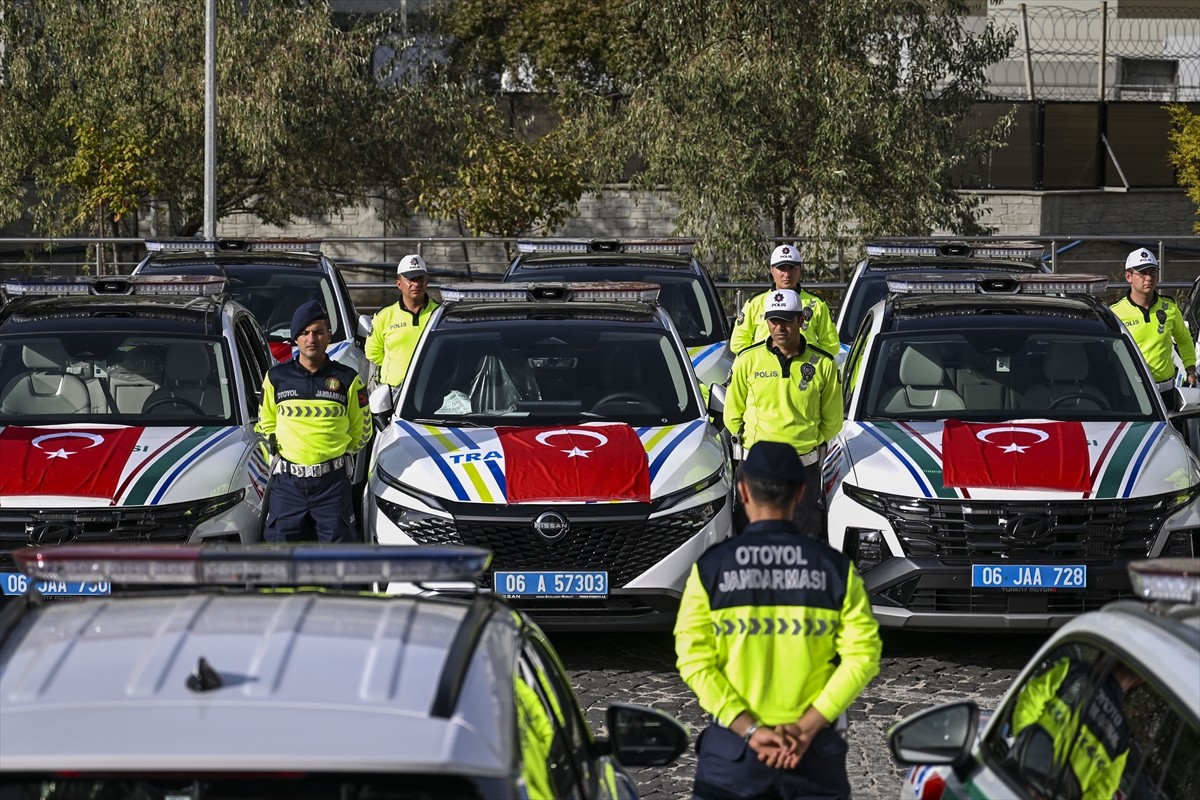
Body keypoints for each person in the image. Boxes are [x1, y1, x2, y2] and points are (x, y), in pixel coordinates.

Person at [674, 441, 881, 800]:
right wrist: (805, 729)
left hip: (733, 761)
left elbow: (694, 662)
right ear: (800, 493)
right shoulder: (835, 570)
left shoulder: (711, 570)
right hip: (813, 758)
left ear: (742, 490)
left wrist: (750, 730)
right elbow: (862, 657)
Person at [724, 289, 841, 536]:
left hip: (802, 468)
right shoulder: (747, 360)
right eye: (774, 320)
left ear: (801, 320)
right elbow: (732, 414)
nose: (780, 327)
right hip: (757, 468)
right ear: (766, 322)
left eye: (787, 320)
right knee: (751, 546)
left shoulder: (824, 365)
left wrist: (804, 442)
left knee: (803, 545)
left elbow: (832, 421)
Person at [257, 300, 372, 542]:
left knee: (338, 558)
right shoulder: (276, 378)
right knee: (281, 555)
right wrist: (277, 458)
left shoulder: (348, 379)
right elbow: (265, 424)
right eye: (305, 333)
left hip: (332, 485)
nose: (312, 339)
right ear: (295, 339)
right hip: (287, 485)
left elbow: (362, 429)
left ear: (328, 336)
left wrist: (342, 456)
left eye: (319, 332)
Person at [1008, 652, 1141, 800]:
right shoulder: (1122, 740)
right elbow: (1100, 794)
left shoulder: (1071, 671)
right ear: (1139, 681)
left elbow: (1028, 702)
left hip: (1012, 784)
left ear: (1110, 653)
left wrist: (1022, 752)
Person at [1110, 247, 1197, 407]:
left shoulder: (1169, 307)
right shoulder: (1115, 312)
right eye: (1142, 273)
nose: (1149, 278)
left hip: (1166, 394)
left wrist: (1190, 369)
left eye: (1152, 272)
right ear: (1128, 276)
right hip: (1132, 394)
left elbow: (1184, 339)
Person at [729, 244, 839, 356]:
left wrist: (810, 364)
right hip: (764, 371)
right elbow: (738, 344)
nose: (786, 274)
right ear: (771, 270)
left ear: (800, 269)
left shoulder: (816, 304)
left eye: (791, 268)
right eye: (781, 268)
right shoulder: (755, 303)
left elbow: (831, 345)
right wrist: (761, 363)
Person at [366, 254, 440, 386]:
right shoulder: (384, 316)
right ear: (398, 284)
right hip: (393, 391)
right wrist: (396, 368)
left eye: (420, 279)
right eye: (411, 279)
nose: (416, 284)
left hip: (432, 388)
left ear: (427, 282)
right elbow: (372, 353)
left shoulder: (439, 313)